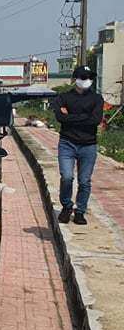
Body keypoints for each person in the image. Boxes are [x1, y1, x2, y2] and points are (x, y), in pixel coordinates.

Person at [52, 65, 104, 225]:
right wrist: (84, 117)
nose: (86, 81)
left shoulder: (97, 99)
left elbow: (95, 120)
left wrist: (71, 116)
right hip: (67, 143)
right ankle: (67, 206)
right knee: (67, 177)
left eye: (89, 78)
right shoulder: (63, 97)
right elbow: (60, 117)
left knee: (84, 181)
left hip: (88, 145)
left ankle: (80, 211)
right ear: (76, 79)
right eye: (83, 77)